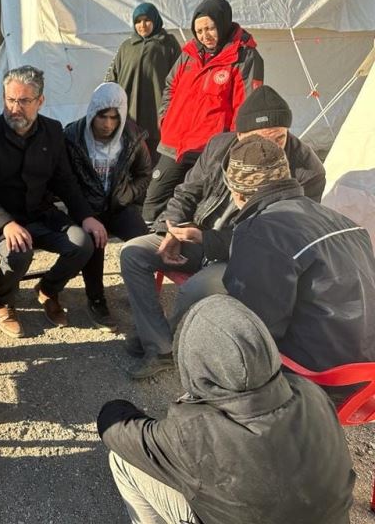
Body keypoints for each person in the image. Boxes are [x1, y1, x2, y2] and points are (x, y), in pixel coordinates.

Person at [119, 86, 325, 380]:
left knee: (196, 289)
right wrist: (172, 231)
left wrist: (206, 240)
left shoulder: (306, 170)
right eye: (261, 140)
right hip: (198, 236)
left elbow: (277, 240)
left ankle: (164, 347)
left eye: (280, 137)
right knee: (133, 253)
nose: (271, 149)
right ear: (239, 135)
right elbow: (187, 192)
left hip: (244, 255)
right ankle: (159, 340)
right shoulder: (219, 146)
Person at [98, 295, 354, 524]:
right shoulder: (310, 392)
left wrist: (118, 405)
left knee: (122, 460)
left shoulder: (194, 432)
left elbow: (115, 428)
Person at [0, 65, 107, 338]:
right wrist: (5, 223)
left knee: (82, 242)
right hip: (2, 220)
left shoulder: (53, 131)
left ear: (40, 101)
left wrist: (86, 215)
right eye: (10, 99)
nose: (15, 108)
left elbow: (65, 181)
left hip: (42, 215)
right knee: (19, 251)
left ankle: (47, 289)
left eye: (24, 101)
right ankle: (3, 300)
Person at [223, 136, 375, 374]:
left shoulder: (259, 232)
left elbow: (256, 326)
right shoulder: (339, 219)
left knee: (215, 318)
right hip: (365, 362)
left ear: (238, 194)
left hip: (319, 375)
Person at [142, 0, 264, 223]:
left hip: (208, 150)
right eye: (199, 30)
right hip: (175, 143)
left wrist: (231, 145)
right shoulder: (189, 53)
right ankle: (156, 245)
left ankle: (186, 250)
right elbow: (170, 86)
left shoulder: (243, 56)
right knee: (153, 202)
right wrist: (165, 120)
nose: (204, 35)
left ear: (223, 23)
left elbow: (246, 105)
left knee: (196, 205)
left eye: (210, 28)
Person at [63, 82, 152, 328]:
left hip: (118, 205)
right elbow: (64, 180)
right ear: (93, 112)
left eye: (115, 117)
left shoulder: (132, 135)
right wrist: (82, 212)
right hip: (85, 208)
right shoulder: (72, 136)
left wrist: (127, 195)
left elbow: (145, 172)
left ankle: (142, 295)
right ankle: (96, 299)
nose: (108, 124)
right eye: (103, 116)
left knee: (143, 241)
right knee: (94, 241)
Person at [104, 2, 181, 157]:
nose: (142, 25)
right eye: (138, 21)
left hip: (156, 112)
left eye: (147, 20)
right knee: (129, 155)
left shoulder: (168, 44)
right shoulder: (127, 46)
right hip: (128, 111)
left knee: (154, 156)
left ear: (155, 20)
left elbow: (180, 77)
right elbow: (113, 75)